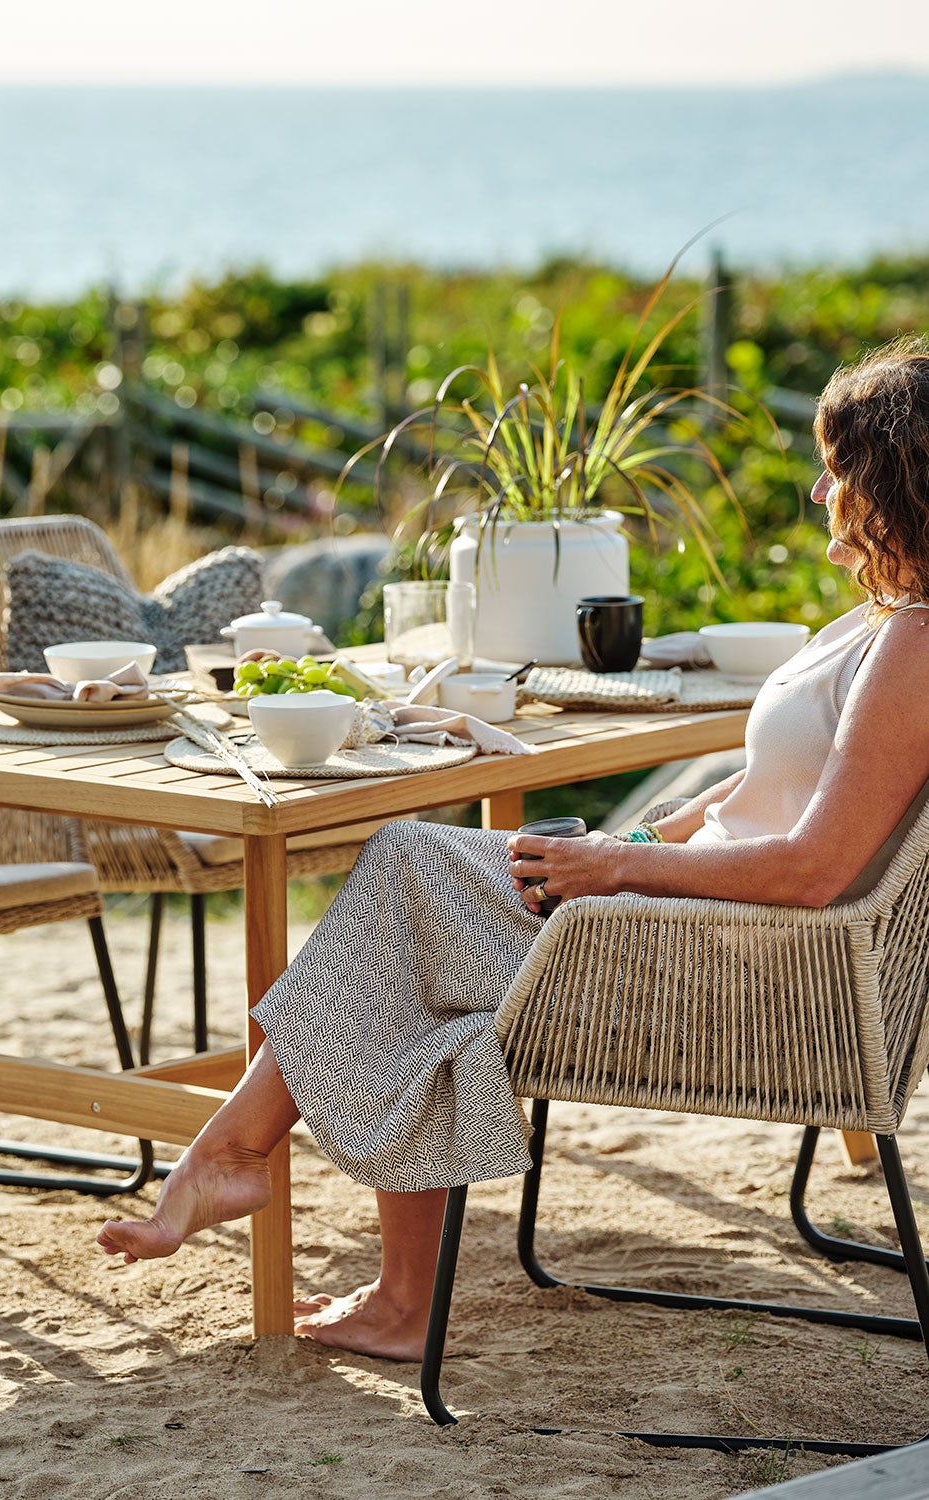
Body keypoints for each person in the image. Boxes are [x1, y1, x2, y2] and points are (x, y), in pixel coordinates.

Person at [97, 337, 929, 1362]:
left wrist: (616, 868)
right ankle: (353, 1258)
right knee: (417, 923)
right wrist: (630, 839)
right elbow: (759, 790)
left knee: (409, 885)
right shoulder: (881, 621)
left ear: (897, 484)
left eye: (838, 472)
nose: (817, 493)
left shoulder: (916, 644)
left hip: (732, 957)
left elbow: (814, 867)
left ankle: (242, 1162)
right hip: (688, 909)